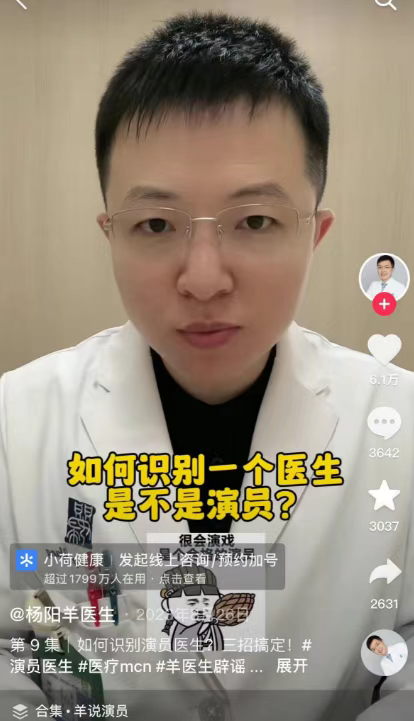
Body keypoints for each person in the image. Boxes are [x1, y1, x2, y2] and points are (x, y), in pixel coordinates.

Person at [1, 10, 414, 721]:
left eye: (254, 221)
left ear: (315, 235)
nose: (202, 280)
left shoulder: (398, 422)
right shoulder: (16, 423)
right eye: (155, 224)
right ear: (111, 233)